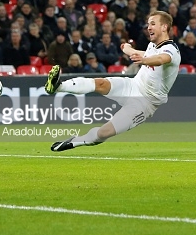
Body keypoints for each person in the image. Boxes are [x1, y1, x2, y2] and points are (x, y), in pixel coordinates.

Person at [45, 11, 181, 152]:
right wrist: (129, 49)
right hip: (132, 85)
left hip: (145, 103)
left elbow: (161, 59)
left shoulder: (171, 50)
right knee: (100, 83)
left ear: (164, 27)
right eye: (148, 24)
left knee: (104, 133)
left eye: (153, 24)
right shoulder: (153, 46)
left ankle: (76, 141)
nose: (149, 27)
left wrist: (144, 60)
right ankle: (57, 86)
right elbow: (146, 54)